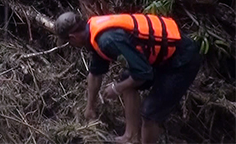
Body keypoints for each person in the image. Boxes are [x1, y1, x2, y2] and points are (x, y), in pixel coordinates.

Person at [55, 11, 202, 144]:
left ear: (73, 37)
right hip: (163, 58)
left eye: (69, 42)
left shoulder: (107, 40)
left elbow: (143, 74)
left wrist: (116, 89)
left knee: (150, 113)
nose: (72, 45)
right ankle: (131, 136)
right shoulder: (94, 33)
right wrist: (90, 108)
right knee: (126, 77)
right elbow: (95, 73)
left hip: (182, 60)